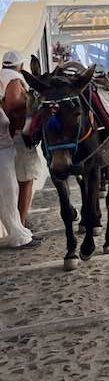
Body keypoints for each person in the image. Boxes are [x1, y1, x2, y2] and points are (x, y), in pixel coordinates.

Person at [0, 50, 36, 249]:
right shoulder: (14, 78)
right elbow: (13, 102)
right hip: (15, 139)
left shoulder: (3, 77)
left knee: (12, 189)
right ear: (20, 65)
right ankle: (20, 231)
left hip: (9, 141)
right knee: (20, 184)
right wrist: (32, 99)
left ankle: (20, 231)